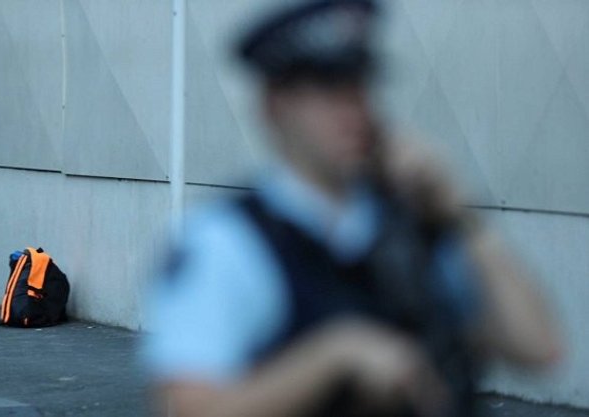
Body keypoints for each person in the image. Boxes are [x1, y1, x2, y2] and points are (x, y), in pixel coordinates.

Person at [142, 1, 561, 416]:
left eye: (359, 86)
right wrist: (332, 358)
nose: (353, 111)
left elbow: (539, 348)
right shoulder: (229, 240)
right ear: (275, 107)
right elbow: (188, 408)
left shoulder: (413, 219)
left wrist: (462, 219)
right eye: (328, 91)